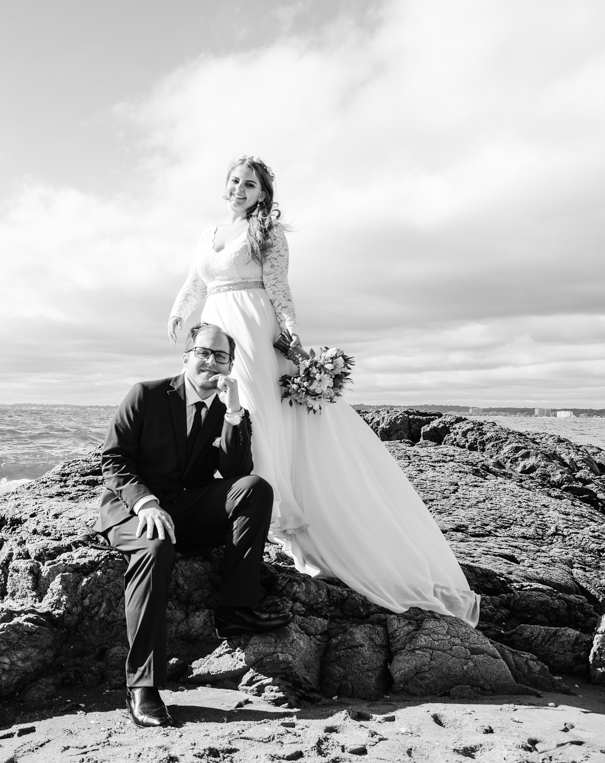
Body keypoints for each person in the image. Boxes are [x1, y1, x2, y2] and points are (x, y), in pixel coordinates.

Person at [167, 155, 480, 627]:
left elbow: (279, 287)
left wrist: (291, 335)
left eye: (250, 184)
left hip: (251, 331)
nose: (239, 189)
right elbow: (195, 281)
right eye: (234, 181)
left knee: (254, 419)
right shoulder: (208, 233)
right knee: (215, 414)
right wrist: (178, 312)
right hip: (215, 327)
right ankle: (231, 505)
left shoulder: (267, 231)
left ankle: (262, 515)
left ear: (263, 193)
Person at [97, 322, 293, 727]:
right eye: (204, 352)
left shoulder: (229, 410)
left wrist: (234, 413)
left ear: (230, 365)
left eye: (221, 356)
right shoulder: (146, 394)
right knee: (156, 548)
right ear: (187, 356)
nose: (211, 362)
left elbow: (236, 472)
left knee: (255, 488)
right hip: (134, 509)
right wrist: (146, 504)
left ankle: (234, 610)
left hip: (189, 507)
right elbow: (114, 460)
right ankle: (143, 686)